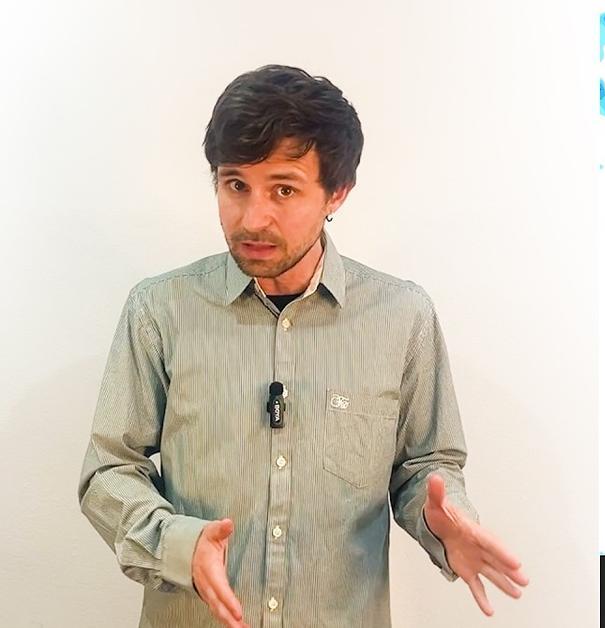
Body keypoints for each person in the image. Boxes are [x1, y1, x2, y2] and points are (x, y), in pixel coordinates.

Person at [77, 64, 527, 627]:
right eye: (234, 184)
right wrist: (175, 543)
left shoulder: (402, 315)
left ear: (336, 191)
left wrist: (446, 522)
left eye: (283, 189)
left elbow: (424, 466)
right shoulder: (159, 311)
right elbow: (109, 469)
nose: (252, 217)